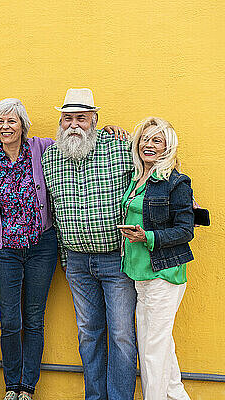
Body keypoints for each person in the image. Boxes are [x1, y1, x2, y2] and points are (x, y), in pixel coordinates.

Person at [42, 88, 137, 400]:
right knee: (88, 334)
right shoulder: (50, 156)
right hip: (77, 262)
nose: (73, 125)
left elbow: (156, 165)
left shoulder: (121, 147)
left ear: (95, 119)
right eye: (67, 118)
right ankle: (95, 396)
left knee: (122, 335)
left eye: (81, 118)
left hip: (115, 260)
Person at [0, 98, 57, 400]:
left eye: (11, 121)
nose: (5, 127)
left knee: (34, 317)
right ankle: (11, 385)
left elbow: (76, 138)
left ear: (23, 124)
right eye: (0, 121)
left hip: (41, 246)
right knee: (10, 320)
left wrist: (111, 130)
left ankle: (28, 387)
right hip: (5, 250)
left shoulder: (42, 148)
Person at [119, 117, 193, 400]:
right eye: (144, 140)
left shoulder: (175, 182)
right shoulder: (138, 178)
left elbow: (185, 230)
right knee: (161, 347)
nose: (148, 145)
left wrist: (146, 237)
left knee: (152, 351)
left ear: (167, 147)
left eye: (156, 140)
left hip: (164, 274)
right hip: (140, 274)